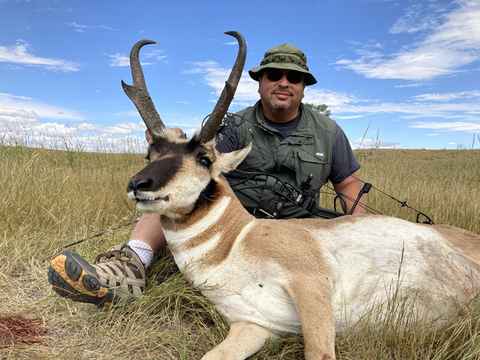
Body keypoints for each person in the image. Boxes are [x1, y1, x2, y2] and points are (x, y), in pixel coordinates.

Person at [48, 43, 365, 307]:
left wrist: (354, 235)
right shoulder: (234, 126)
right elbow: (194, 163)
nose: (284, 83)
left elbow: (349, 183)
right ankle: (129, 266)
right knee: (178, 186)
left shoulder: (329, 132)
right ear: (260, 82)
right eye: (274, 75)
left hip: (299, 236)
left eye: (293, 77)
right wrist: (175, 143)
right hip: (238, 234)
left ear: (303, 86)